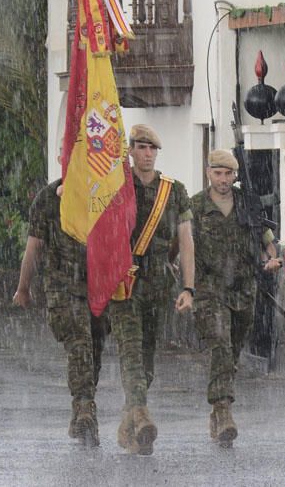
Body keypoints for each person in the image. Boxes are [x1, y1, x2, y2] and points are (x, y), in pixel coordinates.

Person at [190, 149, 281, 447]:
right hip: (209, 289)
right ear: (208, 173)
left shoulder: (247, 203)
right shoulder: (196, 206)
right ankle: (223, 409)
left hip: (243, 288)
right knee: (219, 345)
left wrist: (272, 259)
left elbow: (265, 238)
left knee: (232, 351)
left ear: (235, 175)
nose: (223, 180)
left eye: (228, 174)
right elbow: (182, 242)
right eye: (218, 173)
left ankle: (217, 413)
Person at [13, 178, 109, 447]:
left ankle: (83, 408)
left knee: (94, 350)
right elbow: (34, 245)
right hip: (62, 285)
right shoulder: (47, 198)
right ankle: (85, 408)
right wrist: (23, 287)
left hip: (99, 285)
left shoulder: (107, 189)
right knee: (80, 343)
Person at [125, 124, 196, 389]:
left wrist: (188, 288)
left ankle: (134, 408)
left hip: (157, 285)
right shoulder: (117, 186)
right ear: (130, 151)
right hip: (124, 281)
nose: (147, 154)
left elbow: (186, 241)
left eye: (152, 149)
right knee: (130, 346)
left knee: (146, 349)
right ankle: (137, 407)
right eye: (141, 148)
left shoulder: (174, 191)